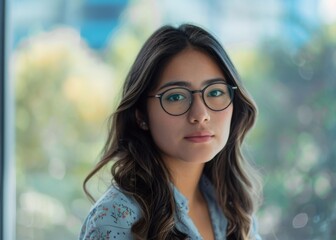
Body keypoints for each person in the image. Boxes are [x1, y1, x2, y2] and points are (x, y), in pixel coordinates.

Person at [79, 23, 262, 240]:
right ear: (141, 115)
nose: (200, 114)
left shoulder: (233, 208)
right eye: (176, 96)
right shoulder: (116, 220)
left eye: (214, 92)